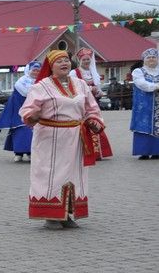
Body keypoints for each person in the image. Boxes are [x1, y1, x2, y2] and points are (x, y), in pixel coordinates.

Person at [19, 49, 104, 229]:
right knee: (50, 174)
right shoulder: (41, 86)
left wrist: (93, 121)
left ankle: (67, 214)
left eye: (66, 60)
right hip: (50, 137)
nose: (64, 63)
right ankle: (50, 215)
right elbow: (26, 110)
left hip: (76, 137)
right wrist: (31, 116)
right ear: (51, 66)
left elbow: (92, 108)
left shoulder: (81, 84)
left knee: (74, 174)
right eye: (59, 61)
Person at [71, 48, 113, 159]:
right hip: (81, 104)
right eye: (84, 59)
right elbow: (74, 88)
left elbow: (98, 88)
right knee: (83, 126)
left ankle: (96, 152)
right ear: (80, 60)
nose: (86, 62)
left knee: (95, 124)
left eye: (88, 59)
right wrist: (90, 88)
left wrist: (98, 92)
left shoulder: (93, 72)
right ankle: (84, 151)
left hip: (93, 103)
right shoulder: (74, 73)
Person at [0, 61, 41, 162]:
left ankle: (30, 153)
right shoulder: (21, 82)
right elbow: (15, 98)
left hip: (34, 112)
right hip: (19, 111)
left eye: (38, 70)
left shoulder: (41, 82)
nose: (36, 72)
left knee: (31, 134)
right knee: (20, 132)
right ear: (29, 70)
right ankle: (18, 153)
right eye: (34, 70)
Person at [130, 48, 159, 159]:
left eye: (154, 57)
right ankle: (144, 152)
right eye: (149, 57)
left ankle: (157, 152)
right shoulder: (138, 72)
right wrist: (156, 86)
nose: (151, 59)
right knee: (143, 127)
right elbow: (141, 84)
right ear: (144, 60)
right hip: (144, 106)